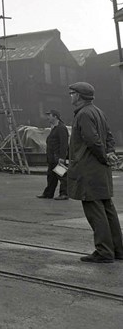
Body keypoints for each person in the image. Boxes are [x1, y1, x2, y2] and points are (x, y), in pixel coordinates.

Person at [66, 81, 123, 263]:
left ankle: (104, 252)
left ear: (79, 96)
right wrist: (109, 153)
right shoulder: (98, 111)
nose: (70, 96)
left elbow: (92, 140)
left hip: (89, 169)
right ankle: (118, 249)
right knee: (107, 209)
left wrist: (103, 156)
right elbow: (109, 136)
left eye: (72, 93)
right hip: (100, 170)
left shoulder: (83, 114)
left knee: (95, 211)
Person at [36, 109, 69, 200]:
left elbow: (64, 144)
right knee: (51, 176)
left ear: (55, 116)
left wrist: (62, 158)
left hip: (58, 158)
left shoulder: (61, 128)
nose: (48, 117)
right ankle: (48, 193)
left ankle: (64, 194)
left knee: (62, 176)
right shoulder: (54, 128)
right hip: (52, 158)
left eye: (49, 115)